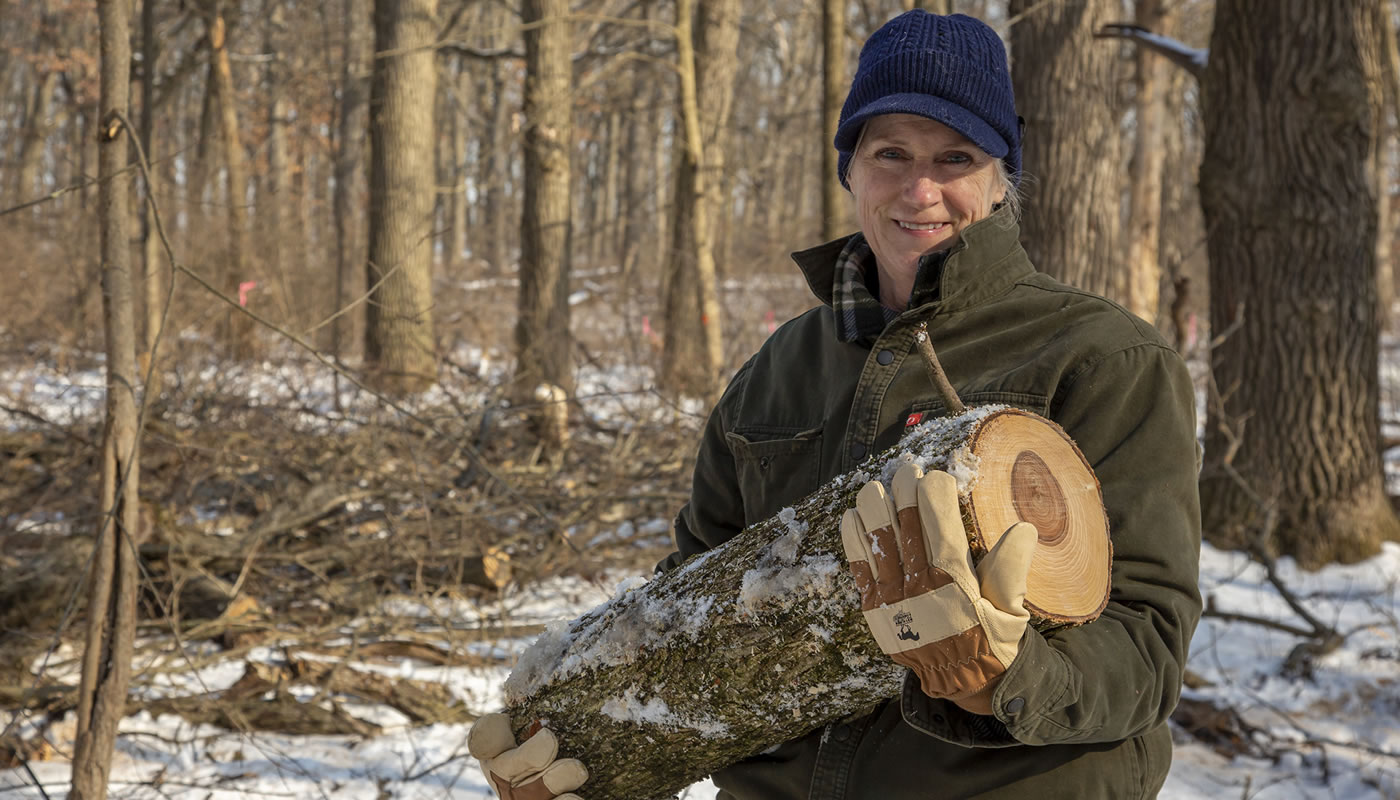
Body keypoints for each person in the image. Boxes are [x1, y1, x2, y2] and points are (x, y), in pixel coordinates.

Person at [468, 9, 1202, 799]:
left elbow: (1148, 644)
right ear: (851, 168)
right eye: (890, 153)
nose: (920, 189)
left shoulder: (1102, 358)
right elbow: (689, 609)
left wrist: (1004, 680)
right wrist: (589, 754)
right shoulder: (781, 366)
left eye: (955, 156)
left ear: (999, 182)